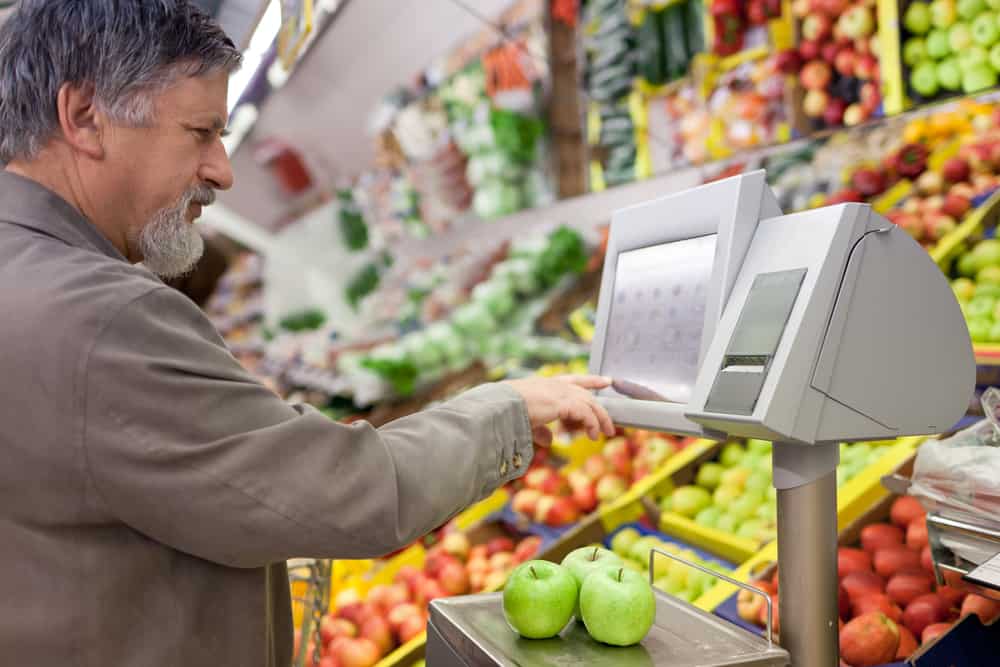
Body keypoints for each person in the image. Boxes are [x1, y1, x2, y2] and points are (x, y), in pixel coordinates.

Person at [0, 2, 615, 666]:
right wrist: (508, 410)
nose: (222, 170)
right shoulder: (99, 317)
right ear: (86, 117)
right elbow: (347, 492)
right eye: (201, 132)